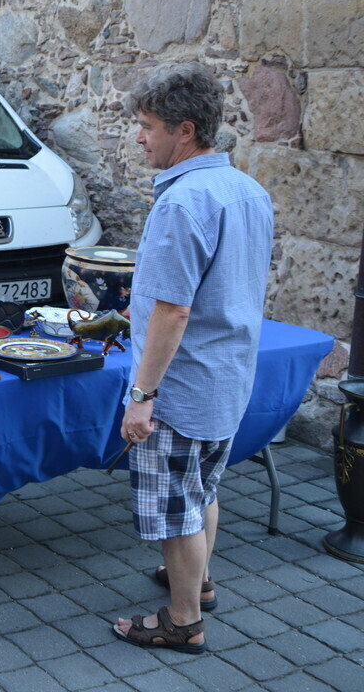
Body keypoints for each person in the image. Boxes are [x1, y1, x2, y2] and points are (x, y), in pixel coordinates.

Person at [113, 63, 273, 653]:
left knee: (177, 506)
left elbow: (172, 312)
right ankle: (199, 584)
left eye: (148, 126)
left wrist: (142, 396)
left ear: (185, 131)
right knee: (204, 489)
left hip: (182, 386)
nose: (139, 137)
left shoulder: (182, 204)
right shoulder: (248, 190)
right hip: (228, 377)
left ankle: (182, 620)